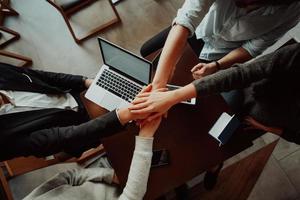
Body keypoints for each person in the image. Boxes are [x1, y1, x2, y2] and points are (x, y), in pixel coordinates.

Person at [130, 43, 300, 144]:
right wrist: (173, 96)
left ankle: (215, 168)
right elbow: (242, 74)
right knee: (210, 120)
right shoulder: (296, 55)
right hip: (248, 90)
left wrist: (266, 128)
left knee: (225, 142)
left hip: (263, 120)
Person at [0, 62, 150, 161]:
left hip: (79, 95)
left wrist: (86, 82)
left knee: (139, 80)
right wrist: (122, 115)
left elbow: (43, 77)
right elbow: (65, 137)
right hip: (83, 129)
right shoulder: (4, 141)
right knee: (149, 126)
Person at [141, 0, 300, 91]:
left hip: (218, 54)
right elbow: (187, 18)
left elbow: (252, 48)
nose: (242, 6)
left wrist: (216, 66)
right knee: (146, 53)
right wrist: (159, 83)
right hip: (197, 28)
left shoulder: (293, 11)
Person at [23, 117, 162, 200]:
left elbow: (70, 177)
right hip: (137, 192)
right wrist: (145, 138)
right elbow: (131, 197)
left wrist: (109, 175)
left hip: (106, 173)